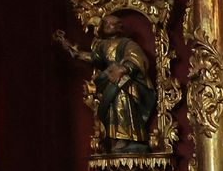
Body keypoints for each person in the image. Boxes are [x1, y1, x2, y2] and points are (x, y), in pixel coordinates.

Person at [54, 14, 157, 152]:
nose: (108, 26)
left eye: (112, 23)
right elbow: (94, 59)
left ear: (120, 27)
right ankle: (116, 139)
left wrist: (124, 69)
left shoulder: (127, 43)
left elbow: (138, 59)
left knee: (123, 102)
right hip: (110, 81)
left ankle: (128, 139)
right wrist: (73, 50)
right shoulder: (102, 45)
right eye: (105, 24)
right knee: (111, 109)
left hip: (125, 83)